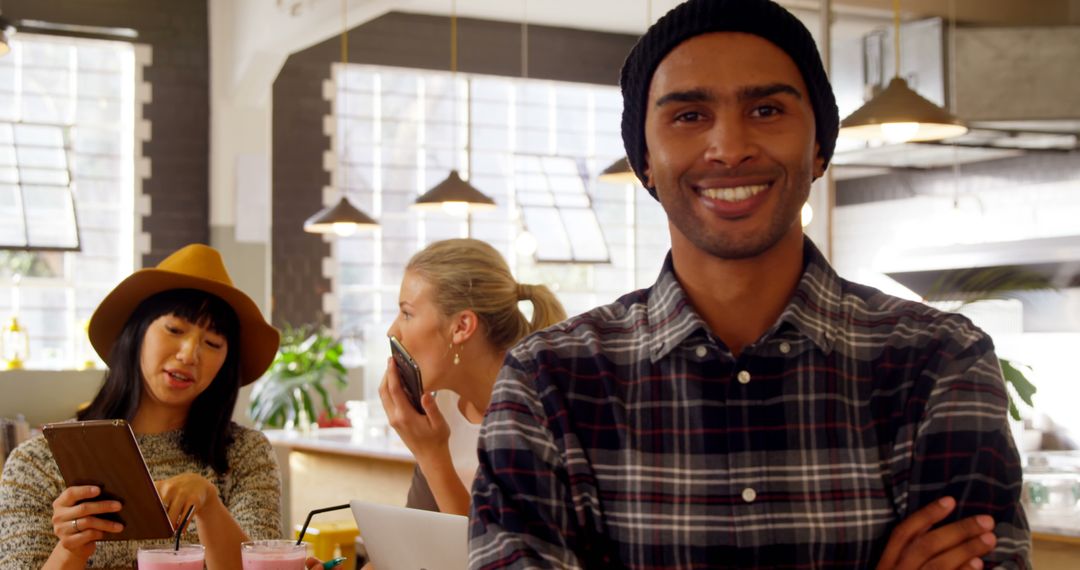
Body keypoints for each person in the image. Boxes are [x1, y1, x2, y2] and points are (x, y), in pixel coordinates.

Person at [468, 1, 1030, 568]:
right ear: (644, 159)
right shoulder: (549, 382)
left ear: (818, 147)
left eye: (766, 109)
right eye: (688, 115)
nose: (731, 148)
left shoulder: (938, 362)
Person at [0, 244, 287, 570]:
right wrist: (73, 548)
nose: (189, 354)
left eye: (212, 343)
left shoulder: (245, 455)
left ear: (226, 363)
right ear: (136, 334)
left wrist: (209, 504)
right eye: (175, 329)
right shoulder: (38, 463)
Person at [379, 238, 566, 516]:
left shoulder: (538, 413)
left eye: (407, 313)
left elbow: (492, 555)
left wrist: (432, 454)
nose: (393, 331)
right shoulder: (441, 407)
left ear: (462, 326)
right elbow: (418, 540)